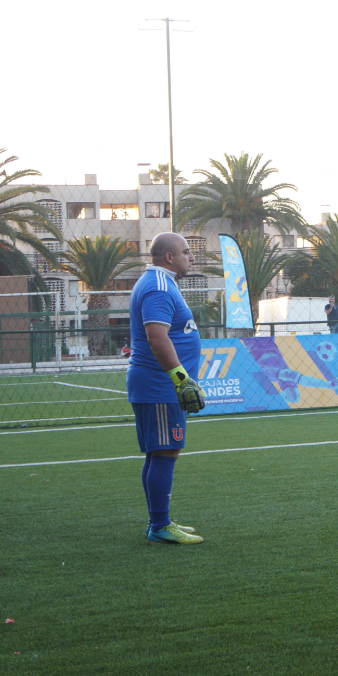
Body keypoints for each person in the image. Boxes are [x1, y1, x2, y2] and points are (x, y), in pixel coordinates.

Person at [127, 232, 207, 545]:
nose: (192, 257)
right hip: (159, 384)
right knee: (165, 450)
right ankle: (160, 526)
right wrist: (181, 379)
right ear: (170, 257)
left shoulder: (162, 283)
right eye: (187, 252)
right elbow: (157, 338)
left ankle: (158, 522)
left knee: (161, 451)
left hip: (160, 384)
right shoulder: (158, 286)